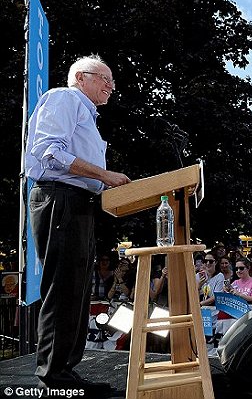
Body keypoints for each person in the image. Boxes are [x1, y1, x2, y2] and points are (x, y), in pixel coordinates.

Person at [25, 55, 131, 393]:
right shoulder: (64, 98)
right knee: (64, 287)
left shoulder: (86, 113)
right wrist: (103, 174)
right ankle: (52, 378)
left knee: (77, 291)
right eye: (105, 78)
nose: (111, 86)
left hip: (78, 203)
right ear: (81, 77)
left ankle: (65, 373)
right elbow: (48, 152)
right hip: (60, 198)